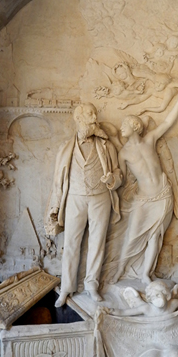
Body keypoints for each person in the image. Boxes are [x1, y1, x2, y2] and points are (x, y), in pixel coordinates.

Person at [47, 103, 122, 306]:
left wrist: (111, 180)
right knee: (71, 243)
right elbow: (58, 180)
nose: (94, 116)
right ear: (79, 118)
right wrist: (54, 207)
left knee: (97, 242)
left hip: (101, 198)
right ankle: (67, 288)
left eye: (95, 113)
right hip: (75, 198)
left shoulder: (107, 146)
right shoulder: (66, 148)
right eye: (90, 113)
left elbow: (118, 173)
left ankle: (91, 286)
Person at [112, 91, 178, 284]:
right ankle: (120, 269)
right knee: (133, 235)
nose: (121, 128)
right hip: (143, 199)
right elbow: (122, 178)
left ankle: (145, 274)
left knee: (155, 236)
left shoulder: (150, 139)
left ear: (135, 126)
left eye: (124, 125)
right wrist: (112, 181)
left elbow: (168, 122)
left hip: (162, 195)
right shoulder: (124, 153)